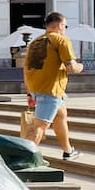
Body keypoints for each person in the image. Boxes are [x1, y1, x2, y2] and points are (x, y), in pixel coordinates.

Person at [23, 11, 83, 159]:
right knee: (39, 127)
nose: (65, 29)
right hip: (51, 89)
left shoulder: (35, 42)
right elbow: (71, 67)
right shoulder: (62, 40)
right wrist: (80, 66)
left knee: (61, 114)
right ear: (60, 25)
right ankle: (21, 157)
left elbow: (26, 69)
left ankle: (68, 150)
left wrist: (30, 91)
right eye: (65, 26)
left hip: (37, 87)